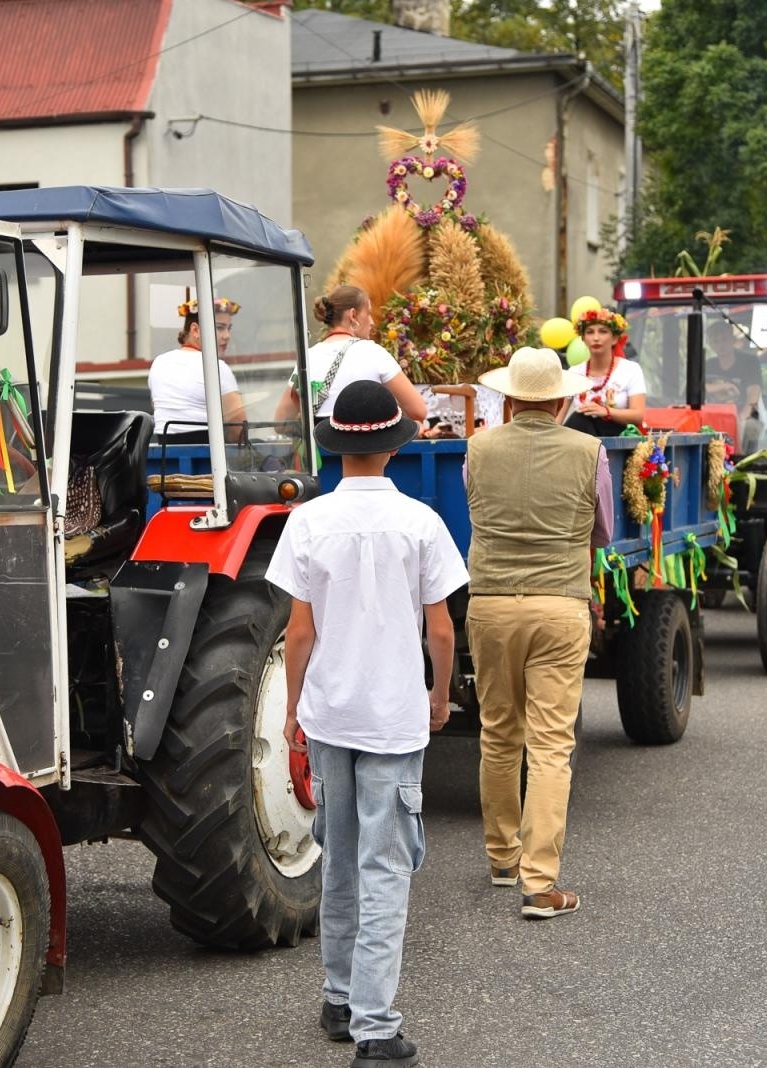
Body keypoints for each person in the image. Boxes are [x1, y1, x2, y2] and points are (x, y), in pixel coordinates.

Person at [266, 379, 468, 1067]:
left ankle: (339, 998)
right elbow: (440, 630)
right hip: (392, 715)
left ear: (336, 447)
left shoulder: (307, 521)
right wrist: (439, 695)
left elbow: (298, 633)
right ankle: (376, 1030)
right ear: (392, 445)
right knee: (386, 866)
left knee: (340, 857)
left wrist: (294, 708)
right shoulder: (421, 522)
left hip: (329, 712)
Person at [467, 346, 613, 921]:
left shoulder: (477, 448)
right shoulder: (589, 450)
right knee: (551, 744)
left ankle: (502, 859)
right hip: (559, 604)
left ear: (507, 398)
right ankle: (540, 882)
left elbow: (476, 511)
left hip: (492, 602)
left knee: (498, 732)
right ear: (561, 400)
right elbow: (601, 531)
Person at [275, 284, 426, 423]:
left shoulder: (308, 357)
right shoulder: (374, 353)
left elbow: (280, 421)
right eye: (368, 314)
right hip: (365, 450)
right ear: (353, 315)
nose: (372, 322)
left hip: (321, 451)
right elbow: (419, 411)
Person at [148, 297, 246, 443]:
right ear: (195, 330)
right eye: (219, 327)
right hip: (210, 460)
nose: (227, 336)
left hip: (166, 460)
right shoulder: (217, 367)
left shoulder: (159, 363)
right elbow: (238, 432)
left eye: (228, 328)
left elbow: (159, 408)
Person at [562, 306, 646, 436]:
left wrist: (605, 411)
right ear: (583, 339)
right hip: (583, 438)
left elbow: (637, 415)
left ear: (615, 338)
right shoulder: (574, 373)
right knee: (579, 418)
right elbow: (558, 417)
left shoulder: (630, 369)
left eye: (603, 331)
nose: (596, 338)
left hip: (617, 440)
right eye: (590, 332)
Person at [705, 318, 764, 451]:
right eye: (716, 341)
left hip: (743, 412)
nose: (720, 344)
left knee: (750, 427)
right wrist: (724, 386)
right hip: (713, 414)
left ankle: (745, 464)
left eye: (724, 339)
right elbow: (698, 388)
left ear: (732, 340)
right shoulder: (708, 365)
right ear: (710, 344)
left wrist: (742, 416)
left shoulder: (749, 362)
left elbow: (754, 392)